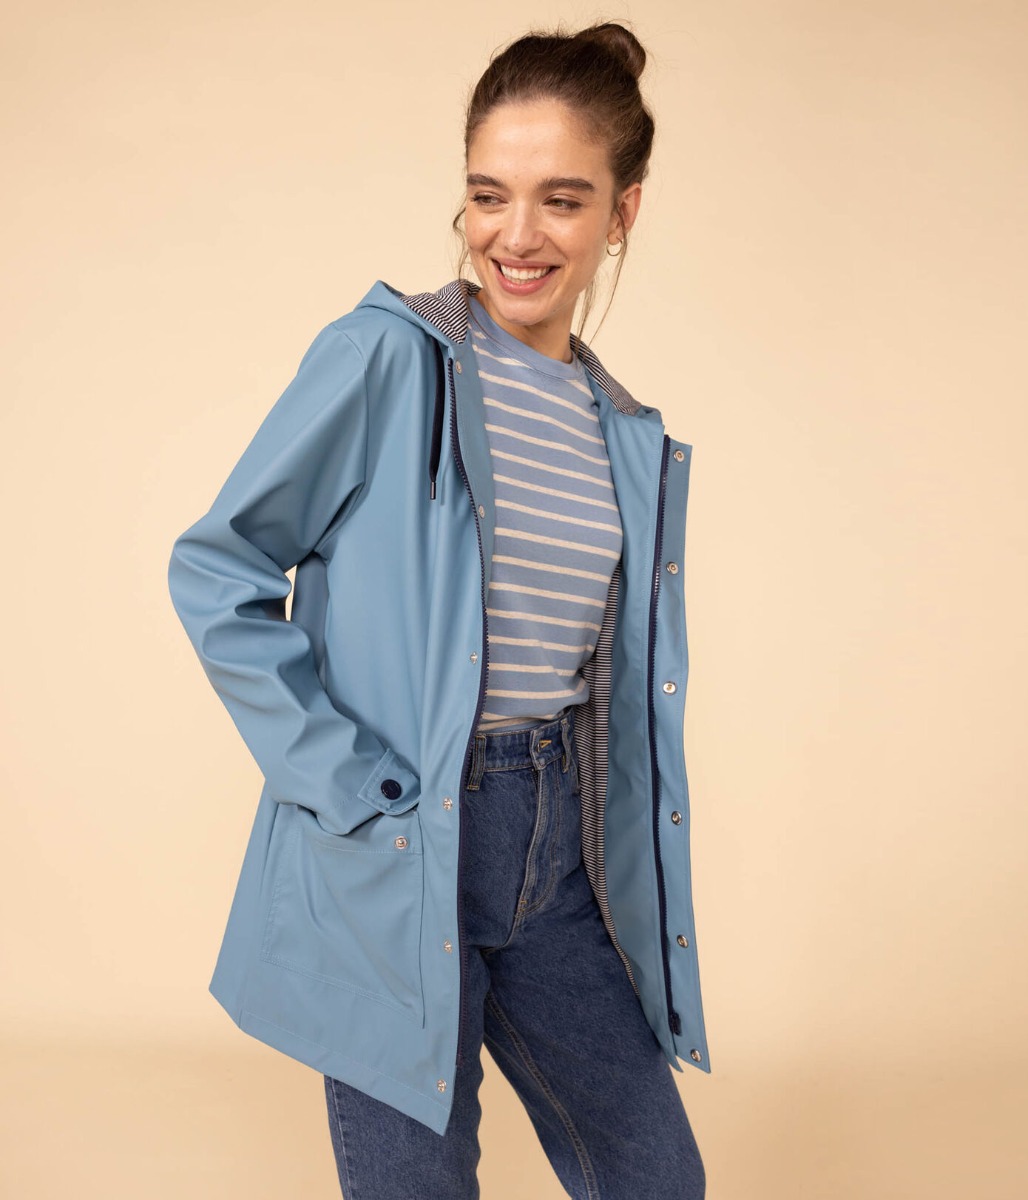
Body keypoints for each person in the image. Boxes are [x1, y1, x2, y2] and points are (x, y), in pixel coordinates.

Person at [168, 20, 710, 1199]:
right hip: (399, 834)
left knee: (654, 1177)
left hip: (554, 850)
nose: (516, 235)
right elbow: (218, 568)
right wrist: (347, 782)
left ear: (621, 213)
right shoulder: (387, 358)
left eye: (561, 200)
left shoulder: (624, 435)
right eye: (488, 194)